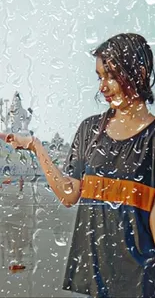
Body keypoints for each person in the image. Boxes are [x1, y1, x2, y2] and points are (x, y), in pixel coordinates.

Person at [0, 33, 155, 298]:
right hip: (96, 280)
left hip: (141, 283)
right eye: (99, 77)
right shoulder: (89, 130)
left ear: (139, 74)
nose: (102, 87)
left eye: (111, 76)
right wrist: (36, 146)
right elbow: (69, 194)